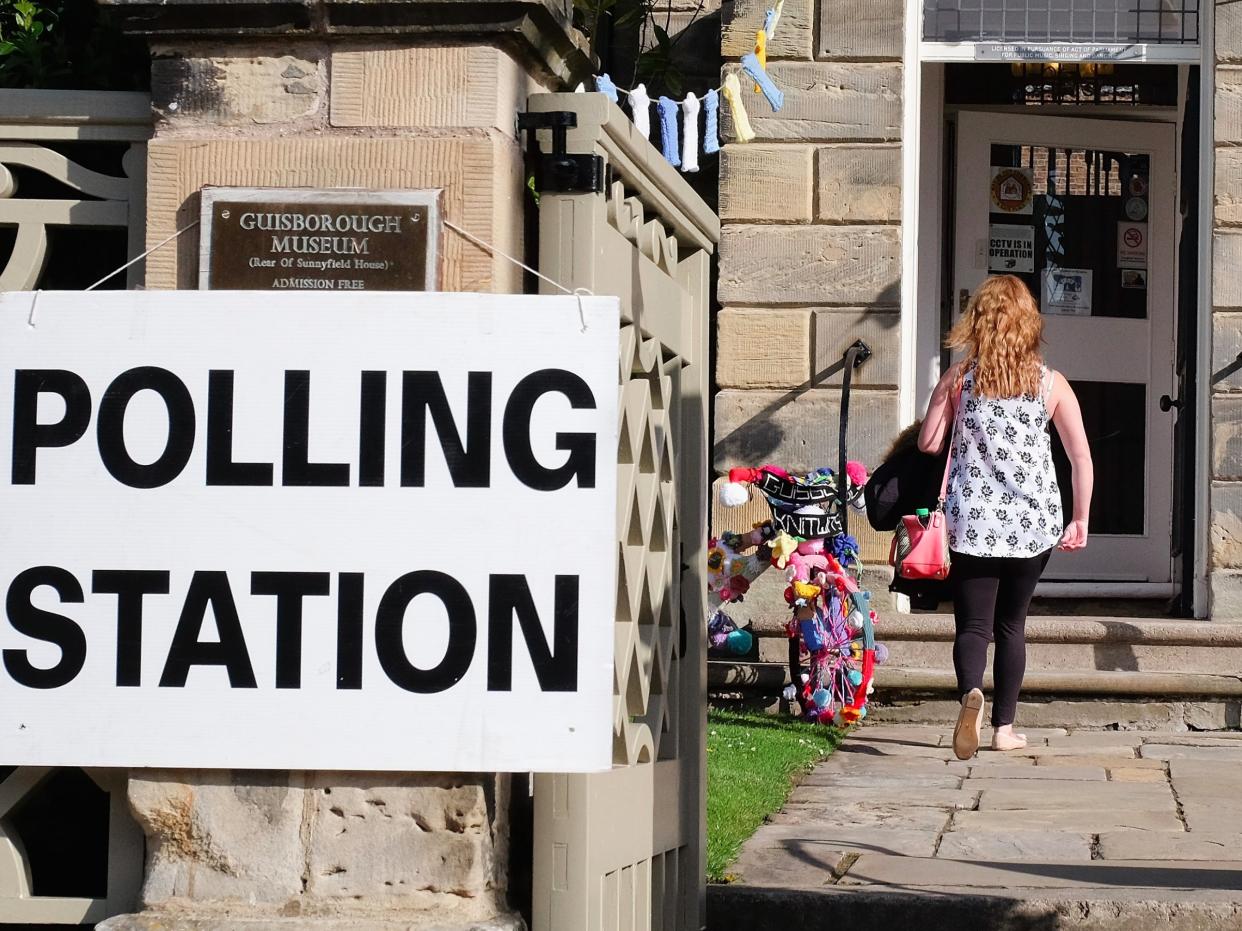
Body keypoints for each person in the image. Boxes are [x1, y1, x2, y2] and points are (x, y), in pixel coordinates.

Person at [917, 275, 1093, 760]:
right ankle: (1004, 728)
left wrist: (942, 400)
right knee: (1013, 625)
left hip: (973, 521)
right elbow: (1080, 457)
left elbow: (929, 444)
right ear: (1028, 324)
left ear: (976, 323)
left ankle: (971, 691)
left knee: (973, 626)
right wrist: (1080, 519)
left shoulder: (959, 379)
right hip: (1033, 523)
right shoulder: (1051, 383)